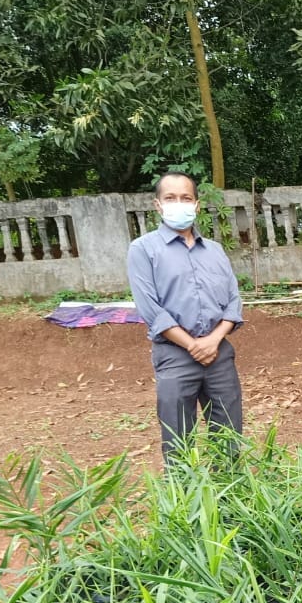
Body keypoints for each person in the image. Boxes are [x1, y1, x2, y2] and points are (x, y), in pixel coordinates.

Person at [127, 171, 244, 464]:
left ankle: (230, 502)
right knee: (178, 441)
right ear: (158, 205)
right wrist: (193, 345)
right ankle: (184, 504)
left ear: (197, 204)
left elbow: (233, 301)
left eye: (185, 198)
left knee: (229, 437)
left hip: (219, 355)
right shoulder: (143, 250)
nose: (178, 204)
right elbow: (151, 308)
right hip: (175, 356)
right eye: (170, 198)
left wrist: (214, 341)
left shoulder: (215, 251)